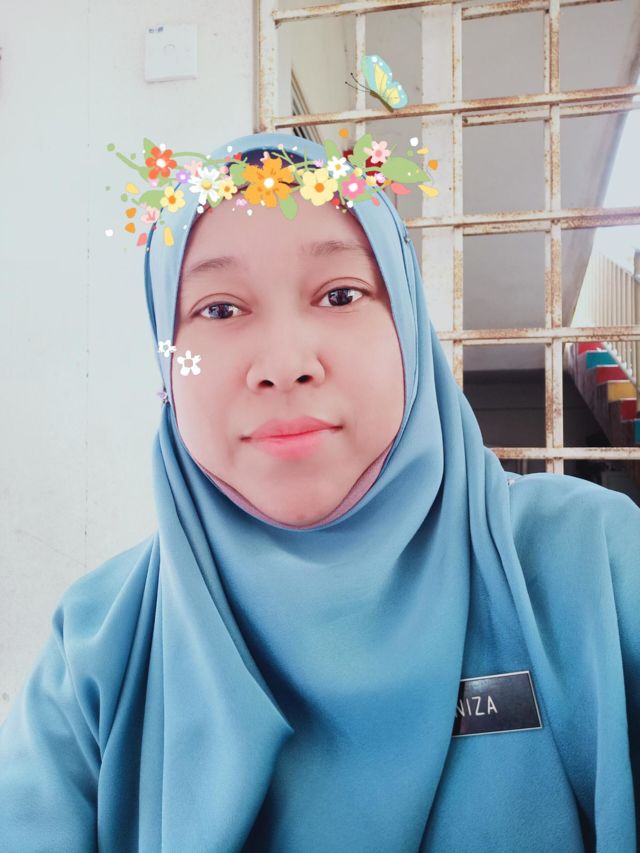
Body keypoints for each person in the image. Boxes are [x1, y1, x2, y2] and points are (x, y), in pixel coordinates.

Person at [0, 130, 638, 852]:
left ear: (408, 330)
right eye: (218, 309)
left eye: (340, 294)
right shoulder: (96, 647)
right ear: (166, 366)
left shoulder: (592, 565)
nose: (283, 362)